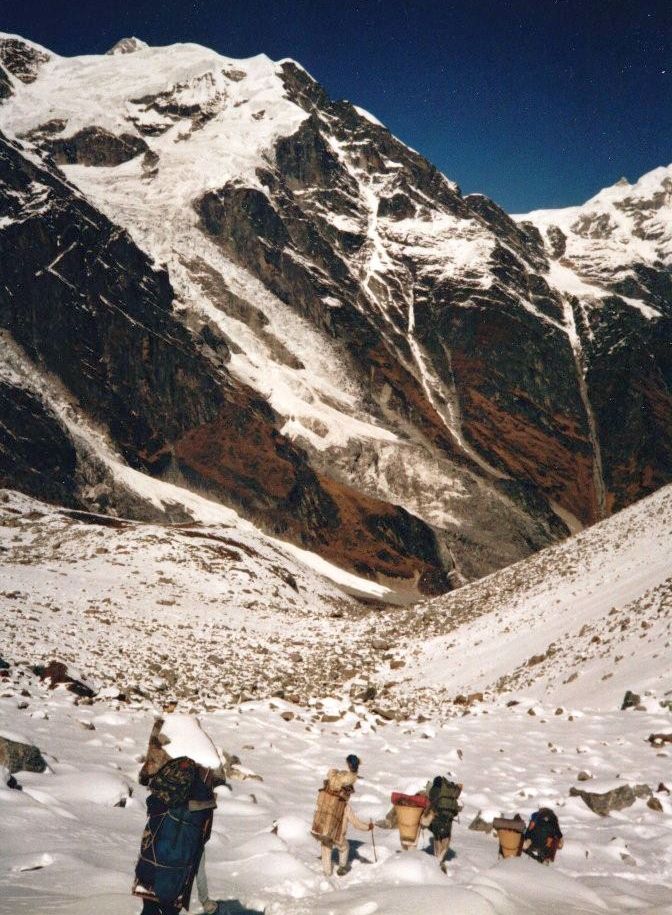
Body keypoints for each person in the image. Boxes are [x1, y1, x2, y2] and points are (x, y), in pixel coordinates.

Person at [132, 716, 225, 915]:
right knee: (173, 898)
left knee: (150, 904)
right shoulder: (208, 756)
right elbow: (219, 779)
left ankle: (203, 900)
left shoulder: (166, 746)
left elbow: (144, 777)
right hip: (186, 848)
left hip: (157, 841)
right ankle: (205, 901)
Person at [421, 775, 462, 871]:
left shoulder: (434, 790)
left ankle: (437, 860)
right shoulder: (449, 794)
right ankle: (441, 858)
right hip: (448, 819)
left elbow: (430, 804)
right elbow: (456, 810)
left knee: (437, 837)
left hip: (438, 817)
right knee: (446, 837)